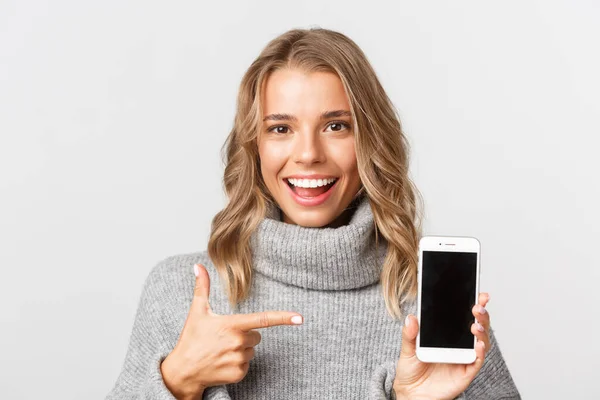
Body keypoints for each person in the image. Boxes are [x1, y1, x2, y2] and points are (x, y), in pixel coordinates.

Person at [105, 27, 520, 400]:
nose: (307, 154)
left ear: (370, 142)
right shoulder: (182, 289)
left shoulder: (429, 302)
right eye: (280, 128)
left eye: (336, 126)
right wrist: (177, 381)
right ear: (254, 147)